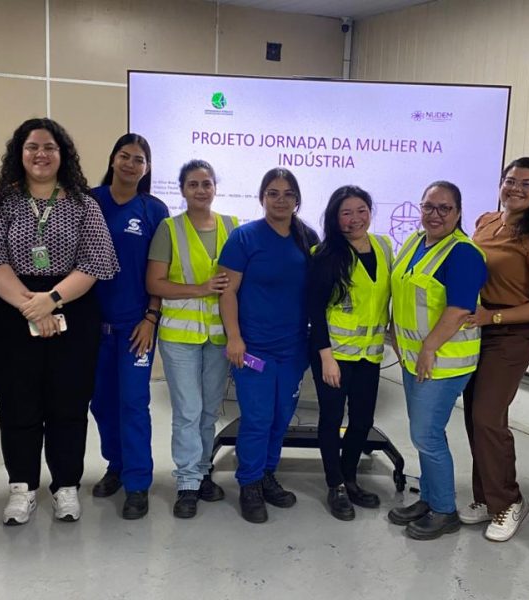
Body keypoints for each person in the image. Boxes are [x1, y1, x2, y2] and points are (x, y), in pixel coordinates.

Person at [0, 118, 118, 525]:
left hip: (72, 306)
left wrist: (51, 300)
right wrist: (31, 306)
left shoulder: (83, 204)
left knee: (68, 403)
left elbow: (95, 262)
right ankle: (22, 488)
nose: (40, 154)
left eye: (49, 147)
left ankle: (66, 486)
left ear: (62, 154)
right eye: (32, 146)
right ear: (19, 153)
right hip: (11, 311)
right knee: (17, 404)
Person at [460, 157, 529, 541]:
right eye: (510, 181)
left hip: (511, 333)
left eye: (527, 184)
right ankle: (486, 498)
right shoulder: (486, 221)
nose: (516, 189)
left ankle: (508, 502)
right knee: (474, 414)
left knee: (488, 416)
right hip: (476, 330)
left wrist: (495, 319)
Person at [386, 181, 487, 540]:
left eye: (444, 208)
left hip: (443, 362)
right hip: (415, 360)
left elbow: (460, 309)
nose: (435, 214)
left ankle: (445, 510)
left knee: (426, 435)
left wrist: (428, 348)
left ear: (459, 213)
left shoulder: (463, 253)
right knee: (424, 434)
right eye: (428, 206)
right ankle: (428, 498)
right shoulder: (415, 242)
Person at [218, 168, 319, 524]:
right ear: (261, 197)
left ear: (297, 199)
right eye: (273, 193)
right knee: (257, 418)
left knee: (280, 418)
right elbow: (227, 291)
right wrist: (234, 337)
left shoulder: (306, 237)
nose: (280, 200)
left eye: (288, 193)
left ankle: (266, 475)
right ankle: (248, 483)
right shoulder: (244, 238)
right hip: (253, 350)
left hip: (293, 349)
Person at [147, 159, 237, 519]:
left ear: (215, 187)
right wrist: (201, 289)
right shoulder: (169, 229)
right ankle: (186, 482)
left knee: (207, 411)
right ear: (183, 190)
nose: (201, 190)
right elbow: (154, 284)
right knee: (187, 410)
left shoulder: (233, 227)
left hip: (219, 337)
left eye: (207, 183)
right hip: (180, 338)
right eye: (193, 184)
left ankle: (201, 473)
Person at [89, 133, 168, 520]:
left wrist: (151, 317)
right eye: (125, 156)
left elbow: (160, 271)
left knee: (134, 403)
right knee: (102, 403)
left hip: (137, 326)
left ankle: (138, 483)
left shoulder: (154, 210)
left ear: (146, 168)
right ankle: (116, 466)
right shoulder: (89, 201)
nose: (130, 164)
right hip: (91, 327)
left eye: (139, 159)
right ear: (113, 159)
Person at [308, 185, 392, 521]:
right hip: (334, 354)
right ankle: (335, 486)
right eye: (346, 212)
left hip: (369, 355)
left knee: (362, 420)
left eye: (361, 210)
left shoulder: (384, 246)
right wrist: (325, 356)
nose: (355, 218)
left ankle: (350, 477)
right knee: (331, 420)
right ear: (334, 217)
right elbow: (314, 309)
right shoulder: (324, 254)